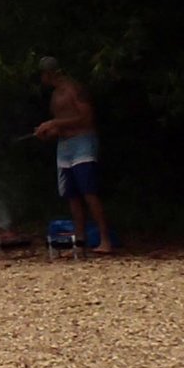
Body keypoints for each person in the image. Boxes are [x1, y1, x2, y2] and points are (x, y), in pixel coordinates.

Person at [36, 57, 112, 254]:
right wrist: (47, 132)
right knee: (72, 195)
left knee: (89, 192)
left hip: (83, 143)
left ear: (49, 74)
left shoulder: (74, 89)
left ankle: (105, 240)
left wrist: (54, 123)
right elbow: (59, 127)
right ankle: (80, 242)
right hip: (64, 146)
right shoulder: (54, 96)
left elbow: (86, 118)